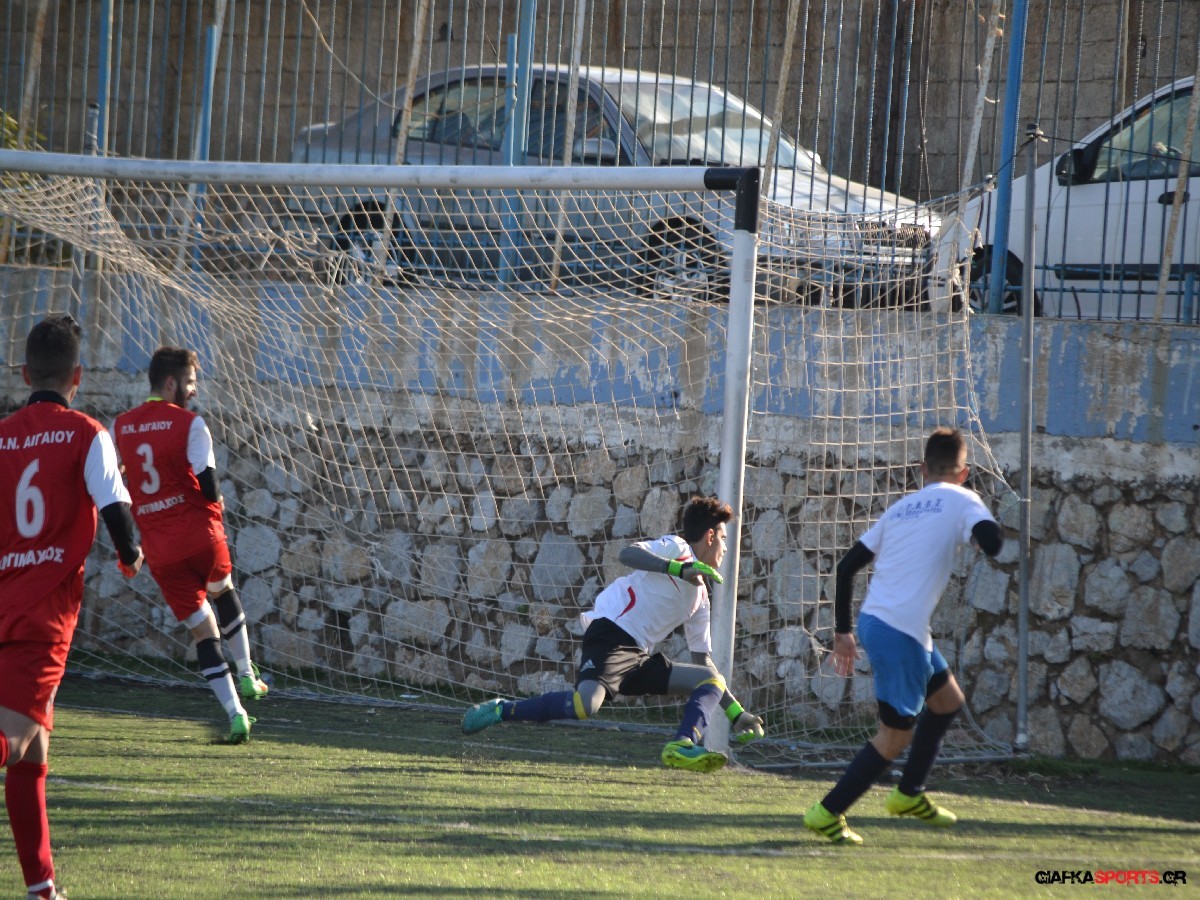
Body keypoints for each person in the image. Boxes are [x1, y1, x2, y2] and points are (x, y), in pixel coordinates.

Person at [0, 314, 144, 900]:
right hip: (43, 614)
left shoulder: (2, 435)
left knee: (31, 754)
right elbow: (114, 506)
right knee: (13, 738)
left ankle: (42, 889)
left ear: (24, 373)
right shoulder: (87, 433)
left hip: (3, 600)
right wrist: (130, 553)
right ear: (77, 377)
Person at [461, 495, 764, 772]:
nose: (726, 548)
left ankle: (682, 744)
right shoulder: (677, 548)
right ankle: (503, 710)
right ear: (710, 536)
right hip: (611, 632)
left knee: (710, 679)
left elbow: (703, 659)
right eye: (724, 539)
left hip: (638, 656)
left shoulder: (701, 598)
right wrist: (677, 569)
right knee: (585, 706)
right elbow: (628, 553)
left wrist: (737, 713)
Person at [804, 427, 1003, 845]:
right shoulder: (964, 499)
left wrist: (842, 632)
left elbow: (846, 568)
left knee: (947, 702)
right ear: (964, 473)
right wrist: (987, 532)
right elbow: (993, 543)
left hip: (880, 622)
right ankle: (827, 812)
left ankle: (910, 792)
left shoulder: (900, 509)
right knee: (895, 735)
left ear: (922, 469)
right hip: (899, 630)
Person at [112, 347, 268, 745]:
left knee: (204, 633)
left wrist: (129, 547)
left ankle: (236, 715)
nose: (194, 391)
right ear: (171, 383)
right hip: (200, 537)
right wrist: (217, 502)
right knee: (223, 590)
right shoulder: (190, 424)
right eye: (191, 382)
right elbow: (208, 485)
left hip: (161, 552)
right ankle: (247, 674)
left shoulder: (122, 427)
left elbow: (117, 485)